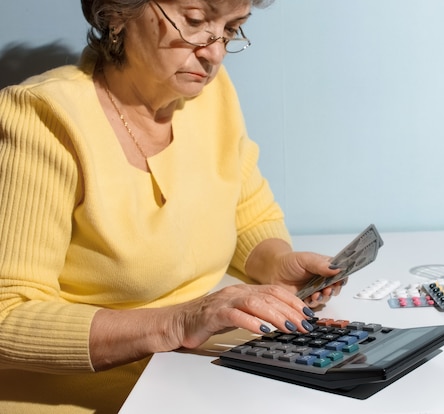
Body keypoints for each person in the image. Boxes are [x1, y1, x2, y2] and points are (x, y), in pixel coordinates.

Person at [0, 1, 345, 412]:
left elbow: (247, 211)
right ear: (117, 13)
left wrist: (278, 265)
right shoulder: (41, 116)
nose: (213, 52)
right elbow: (8, 314)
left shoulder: (208, 94)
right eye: (195, 21)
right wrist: (179, 322)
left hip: (189, 378)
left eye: (232, 29)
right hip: (87, 398)